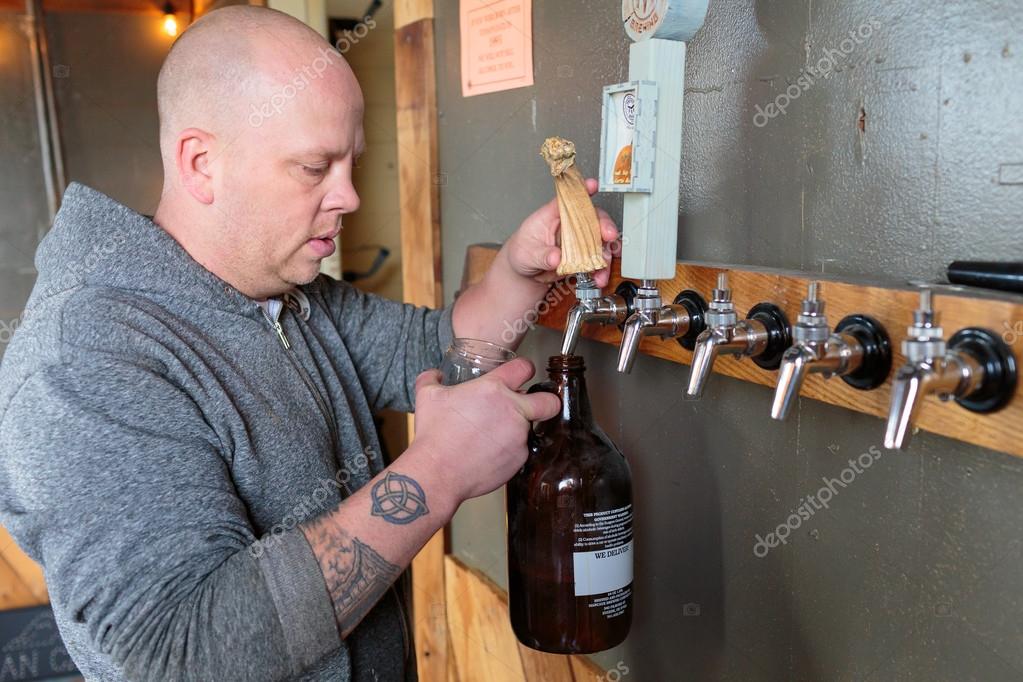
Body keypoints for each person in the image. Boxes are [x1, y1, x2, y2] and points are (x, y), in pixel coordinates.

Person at [0, 5, 619, 681]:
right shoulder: (84, 361)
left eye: (350, 164)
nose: (349, 197)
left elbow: (435, 349)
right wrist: (438, 473)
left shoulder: (282, 292)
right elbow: (178, 651)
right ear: (202, 163)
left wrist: (521, 273)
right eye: (313, 167)